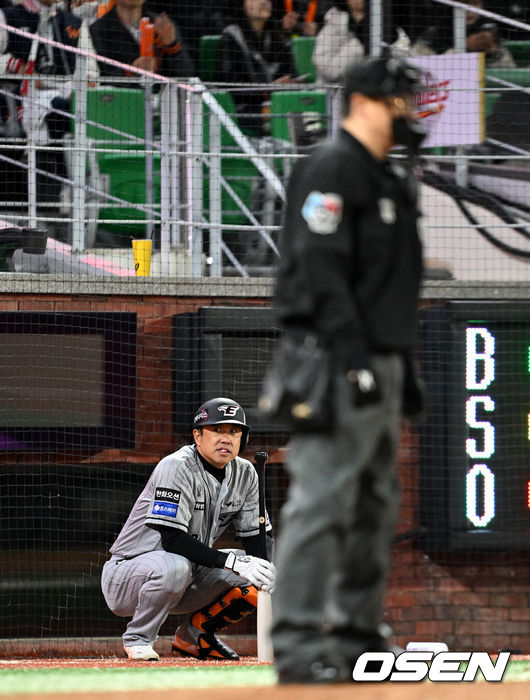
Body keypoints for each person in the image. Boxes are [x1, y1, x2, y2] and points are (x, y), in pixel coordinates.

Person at [268, 57, 426, 684]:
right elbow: (318, 270)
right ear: (362, 100)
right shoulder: (332, 166)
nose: (409, 112)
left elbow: (386, 285)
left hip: (381, 359)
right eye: (399, 101)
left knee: (374, 505)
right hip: (334, 359)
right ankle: (299, 640)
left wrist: (399, 365)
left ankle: (360, 636)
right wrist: (357, 359)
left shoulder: (385, 178)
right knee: (324, 498)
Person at [101, 397, 276, 661]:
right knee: (177, 565)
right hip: (128, 575)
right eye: (217, 430)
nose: (226, 438)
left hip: (188, 573)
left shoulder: (246, 473)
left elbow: (256, 537)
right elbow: (172, 540)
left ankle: (193, 637)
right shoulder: (176, 466)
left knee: (258, 568)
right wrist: (230, 562)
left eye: (234, 431)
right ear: (197, 435)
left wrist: (267, 569)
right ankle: (138, 639)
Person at [0, 0, 98, 142]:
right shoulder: (6, 17)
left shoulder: (75, 23)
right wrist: (16, 66)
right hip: (21, 100)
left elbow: (91, 70)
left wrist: (82, 87)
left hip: (68, 97)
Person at [217, 0, 294, 135]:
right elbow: (230, 86)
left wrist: (291, 82)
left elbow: (291, 73)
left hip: (279, 103)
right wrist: (267, 88)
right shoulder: (231, 36)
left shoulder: (278, 36)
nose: (264, 2)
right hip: (243, 108)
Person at [89, 0, 194, 79]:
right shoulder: (98, 30)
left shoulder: (163, 25)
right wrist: (131, 71)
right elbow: (102, 77)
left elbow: (186, 74)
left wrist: (172, 46)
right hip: (123, 101)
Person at [413, 0, 516, 68]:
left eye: (475, 4)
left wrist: (493, 53)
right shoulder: (434, 33)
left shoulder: (489, 30)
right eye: (465, 3)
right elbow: (425, 70)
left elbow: (509, 70)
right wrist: (464, 48)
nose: (469, 10)